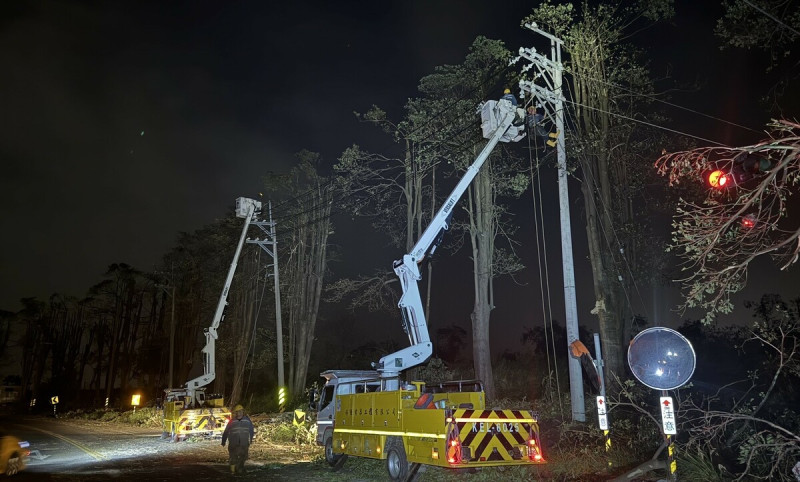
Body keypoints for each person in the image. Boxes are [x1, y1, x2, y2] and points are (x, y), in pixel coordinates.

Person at [221, 404, 254, 475]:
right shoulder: (232, 421)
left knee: (243, 456)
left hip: (244, 442)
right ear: (235, 413)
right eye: (237, 412)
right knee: (233, 456)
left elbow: (251, 430)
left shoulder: (247, 420)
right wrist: (223, 441)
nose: (239, 413)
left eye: (240, 411)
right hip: (233, 442)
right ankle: (233, 471)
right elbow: (226, 431)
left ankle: (240, 468)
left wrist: (251, 439)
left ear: (243, 412)